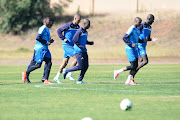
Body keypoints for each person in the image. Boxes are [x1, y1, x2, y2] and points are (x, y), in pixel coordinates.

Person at [22, 17, 54, 84]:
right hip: (40, 49)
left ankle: (45, 79)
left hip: (45, 49)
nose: (52, 23)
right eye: (50, 21)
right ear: (45, 21)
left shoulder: (47, 29)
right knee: (38, 65)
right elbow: (38, 37)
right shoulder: (42, 28)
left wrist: (50, 41)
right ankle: (26, 73)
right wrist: (46, 42)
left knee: (49, 63)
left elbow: (45, 39)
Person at [63, 19, 94, 84]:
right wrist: (80, 46)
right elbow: (74, 40)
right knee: (80, 66)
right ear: (84, 24)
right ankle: (67, 70)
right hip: (79, 51)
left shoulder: (85, 32)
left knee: (86, 66)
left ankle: (79, 80)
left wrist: (89, 43)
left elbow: (84, 40)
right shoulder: (79, 31)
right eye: (88, 24)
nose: (89, 26)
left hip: (84, 51)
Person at [53, 14, 81, 84]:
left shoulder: (78, 27)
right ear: (75, 18)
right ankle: (69, 74)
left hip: (71, 46)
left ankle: (56, 77)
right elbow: (59, 30)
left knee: (64, 63)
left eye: (80, 20)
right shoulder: (68, 25)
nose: (79, 21)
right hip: (66, 46)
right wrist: (63, 38)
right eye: (78, 20)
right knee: (77, 58)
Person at [114, 17, 142, 85]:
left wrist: (147, 40)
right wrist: (130, 44)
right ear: (135, 22)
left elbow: (137, 39)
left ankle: (128, 81)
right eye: (139, 22)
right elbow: (124, 37)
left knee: (135, 66)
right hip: (130, 49)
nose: (140, 24)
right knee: (133, 66)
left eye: (140, 22)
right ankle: (117, 71)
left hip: (135, 49)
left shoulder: (138, 29)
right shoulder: (131, 28)